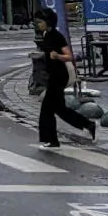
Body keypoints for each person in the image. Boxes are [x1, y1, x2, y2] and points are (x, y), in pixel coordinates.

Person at [34, 8, 94, 149]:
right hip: (53, 75)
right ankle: (88, 124)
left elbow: (69, 56)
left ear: (48, 22)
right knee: (60, 109)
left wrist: (58, 56)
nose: (38, 24)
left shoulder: (56, 36)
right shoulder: (46, 35)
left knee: (46, 110)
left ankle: (52, 140)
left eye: (40, 22)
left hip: (59, 76)